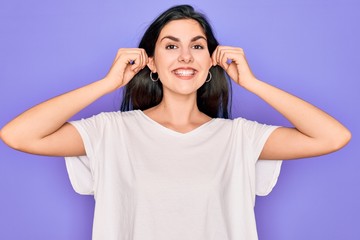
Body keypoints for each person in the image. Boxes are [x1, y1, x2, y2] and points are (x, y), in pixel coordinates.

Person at [0, 4, 351, 240]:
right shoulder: (110, 132)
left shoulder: (241, 138)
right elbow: (17, 134)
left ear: (212, 60)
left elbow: (333, 137)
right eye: (170, 46)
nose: (185, 56)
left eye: (197, 46)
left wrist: (253, 84)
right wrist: (108, 84)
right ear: (150, 62)